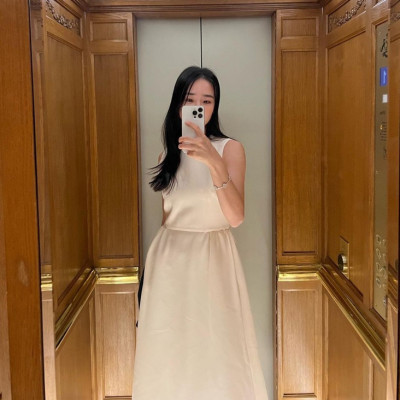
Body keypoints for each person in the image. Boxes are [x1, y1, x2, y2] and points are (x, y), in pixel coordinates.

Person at [132, 66, 268, 400]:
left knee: (218, 346)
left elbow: (236, 217)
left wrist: (213, 161)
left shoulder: (230, 149)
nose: (199, 107)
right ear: (178, 104)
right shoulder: (168, 154)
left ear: (215, 106)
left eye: (207, 100)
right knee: (170, 347)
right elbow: (167, 219)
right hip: (168, 262)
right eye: (190, 99)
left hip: (213, 259)